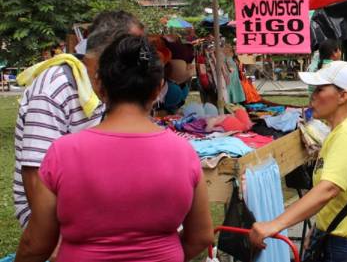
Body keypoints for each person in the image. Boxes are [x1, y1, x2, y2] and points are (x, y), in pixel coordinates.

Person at [16, 35, 214, 262]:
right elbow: (201, 236)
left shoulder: (63, 153)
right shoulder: (183, 153)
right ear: (158, 89)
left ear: (99, 86)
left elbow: (35, 244)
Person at [250, 61, 347, 261]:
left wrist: (274, 225)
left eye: (320, 90)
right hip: (343, 242)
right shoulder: (341, 131)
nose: (313, 96)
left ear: (343, 96)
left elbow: (328, 189)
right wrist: (318, 229)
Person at [12, 10, 143, 231]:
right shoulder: (56, 87)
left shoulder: (106, 84)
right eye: (137, 49)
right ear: (113, 49)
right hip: (48, 206)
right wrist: (50, 239)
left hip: (88, 192)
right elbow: (35, 175)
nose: (143, 57)